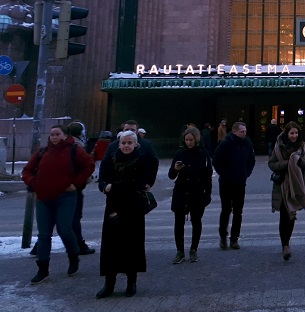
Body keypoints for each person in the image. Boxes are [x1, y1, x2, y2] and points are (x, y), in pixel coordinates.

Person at [22, 125, 94, 285]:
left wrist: (75, 183)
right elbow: (27, 170)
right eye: (51, 134)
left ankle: (73, 256)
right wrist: (34, 183)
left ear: (64, 136)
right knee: (44, 234)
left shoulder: (74, 149)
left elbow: (89, 165)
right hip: (43, 198)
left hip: (65, 197)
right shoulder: (42, 152)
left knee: (64, 229)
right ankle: (43, 269)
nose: (53, 137)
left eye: (57, 134)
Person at [95, 130, 159, 298]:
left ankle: (132, 282)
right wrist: (104, 186)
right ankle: (109, 283)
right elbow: (102, 180)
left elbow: (138, 184)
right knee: (111, 245)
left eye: (129, 143)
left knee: (132, 245)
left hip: (133, 208)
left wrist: (112, 187)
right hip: (113, 207)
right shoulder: (111, 159)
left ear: (136, 144)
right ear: (119, 144)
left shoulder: (141, 160)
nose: (126, 146)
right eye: (123, 143)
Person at [268, 121, 305, 261]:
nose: (294, 136)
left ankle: (286, 242)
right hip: (282, 185)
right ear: (286, 133)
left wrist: (300, 162)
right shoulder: (279, 147)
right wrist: (287, 163)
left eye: (296, 133)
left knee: (291, 215)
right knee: (284, 215)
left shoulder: (303, 147)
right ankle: (285, 245)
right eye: (291, 133)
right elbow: (271, 164)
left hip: (297, 184)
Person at [168, 126, 213, 264]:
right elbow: (171, 175)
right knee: (179, 222)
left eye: (191, 140)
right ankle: (180, 251)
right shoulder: (180, 153)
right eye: (186, 140)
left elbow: (208, 176)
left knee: (196, 221)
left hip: (196, 190)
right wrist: (175, 169)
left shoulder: (202, 154)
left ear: (196, 139)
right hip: (181, 190)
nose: (188, 142)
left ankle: (194, 249)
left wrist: (207, 194)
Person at [212, 121, 255, 250]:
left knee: (238, 212)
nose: (244, 133)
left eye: (245, 131)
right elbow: (216, 160)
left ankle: (234, 239)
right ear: (235, 131)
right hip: (226, 182)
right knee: (226, 210)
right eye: (242, 131)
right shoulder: (226, 143)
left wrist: (246, 173)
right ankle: (223, 237)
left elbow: (251, 160)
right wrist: (223, 174)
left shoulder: (247, 143)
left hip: (240, 182)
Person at [64, 122, 95, 256]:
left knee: (58, 217)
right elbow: (88, 165)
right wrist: (79, 181)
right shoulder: (77, 146)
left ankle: (38, 246)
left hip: (63, 186)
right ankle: (79, 245)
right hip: (73, 187)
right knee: (74, 217)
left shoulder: (64, 145)